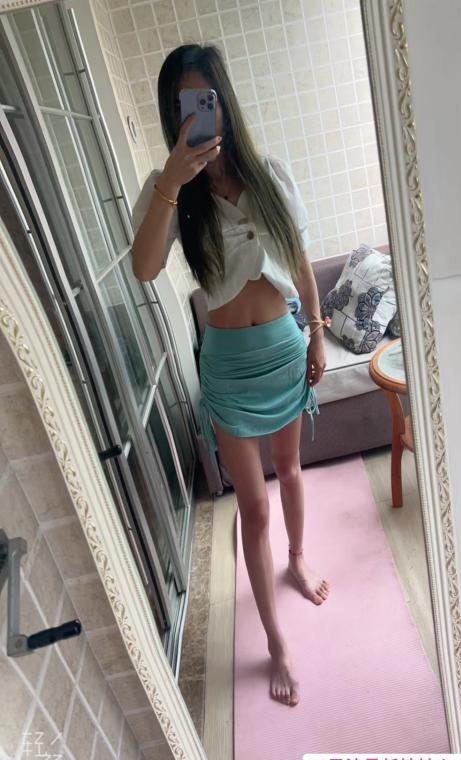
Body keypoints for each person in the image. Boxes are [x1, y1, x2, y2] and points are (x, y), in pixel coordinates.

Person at [131, 44, 330, 707]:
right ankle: (275, 641)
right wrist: (171, 179)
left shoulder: (269, 176)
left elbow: (300, 260)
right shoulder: (170, 193)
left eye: (204, 98)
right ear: (173, 115)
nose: (196, 113)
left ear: (223, 100)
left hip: (283, 348)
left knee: (291, 470)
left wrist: (318, 332)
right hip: (228, 368)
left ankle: (297, 558)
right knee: (253, 504)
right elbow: (144, 268)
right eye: (182, 105)